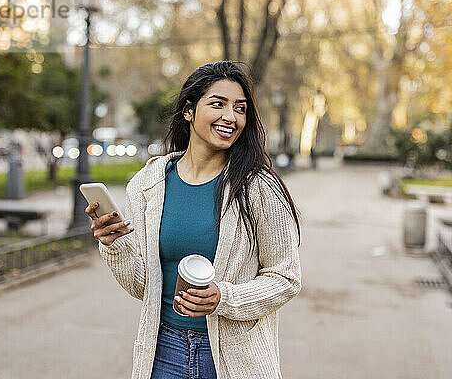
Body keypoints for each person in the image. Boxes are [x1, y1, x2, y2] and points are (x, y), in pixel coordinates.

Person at [85, 61, 302, 379]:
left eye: (240, 109)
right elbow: (144, 286)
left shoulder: (258, 186)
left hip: (233, 358)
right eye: (218, 104)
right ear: (189, 111)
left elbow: (286, 278)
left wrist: (223, 298)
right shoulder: (150, 183)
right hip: (163, 354)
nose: (231, 117)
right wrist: (114, 244)